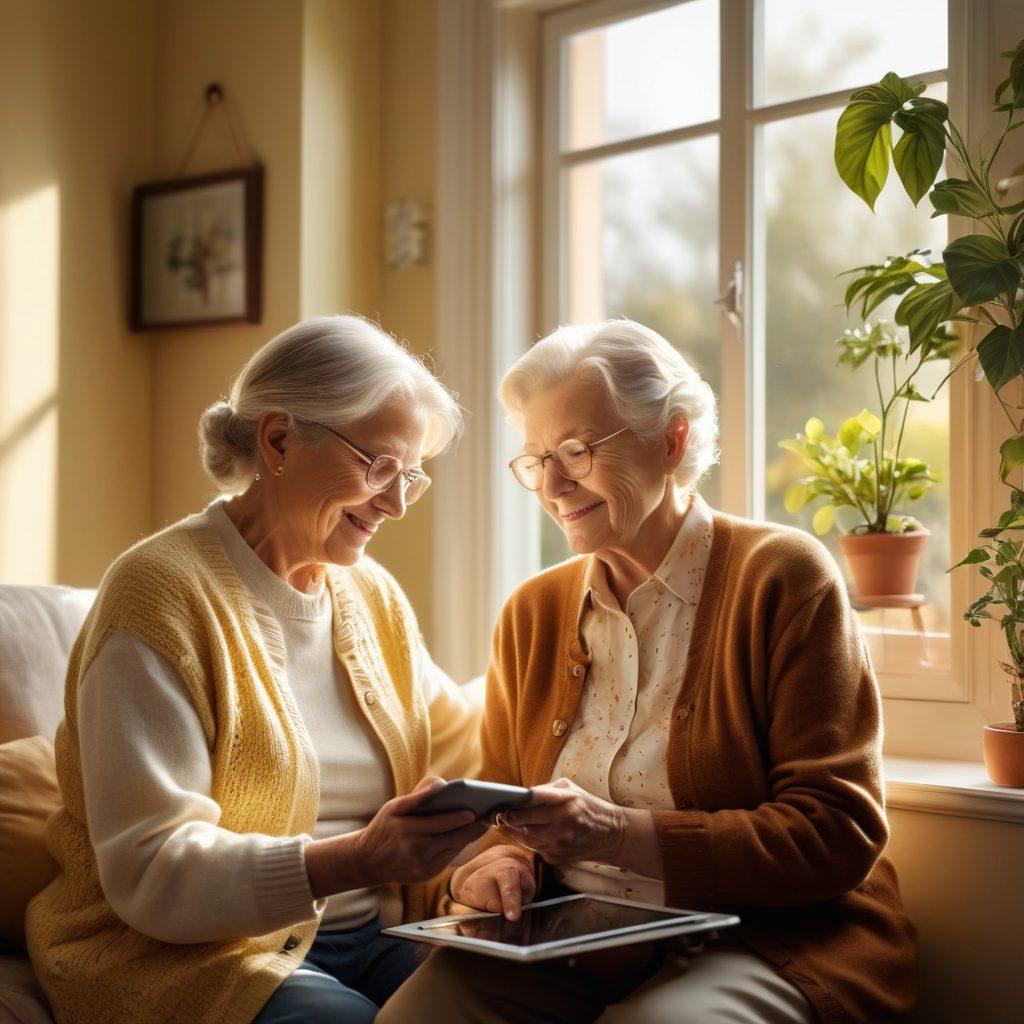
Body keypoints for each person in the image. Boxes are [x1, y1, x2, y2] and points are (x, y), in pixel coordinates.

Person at [378, 318, 916, 1024]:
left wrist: (614, 834)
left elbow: (836, 832)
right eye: (534, 459)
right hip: (571, 934)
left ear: (674, 439)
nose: (551, 483)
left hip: (765, 937)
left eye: (576, 450)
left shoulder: (782, 577)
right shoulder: (532, 612)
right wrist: (498, 865)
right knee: (415, 1016)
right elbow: (506, 817)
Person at [27, 316, 486, 1024]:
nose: (397, 504)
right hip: (190, 954)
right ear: (278, 440)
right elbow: (152, 869)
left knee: (511, 1001)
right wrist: (353, 859)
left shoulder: (370, 596)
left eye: (412, 476)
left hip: (376, 934)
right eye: (380, 467)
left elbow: (464, 742)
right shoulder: (158, 595)